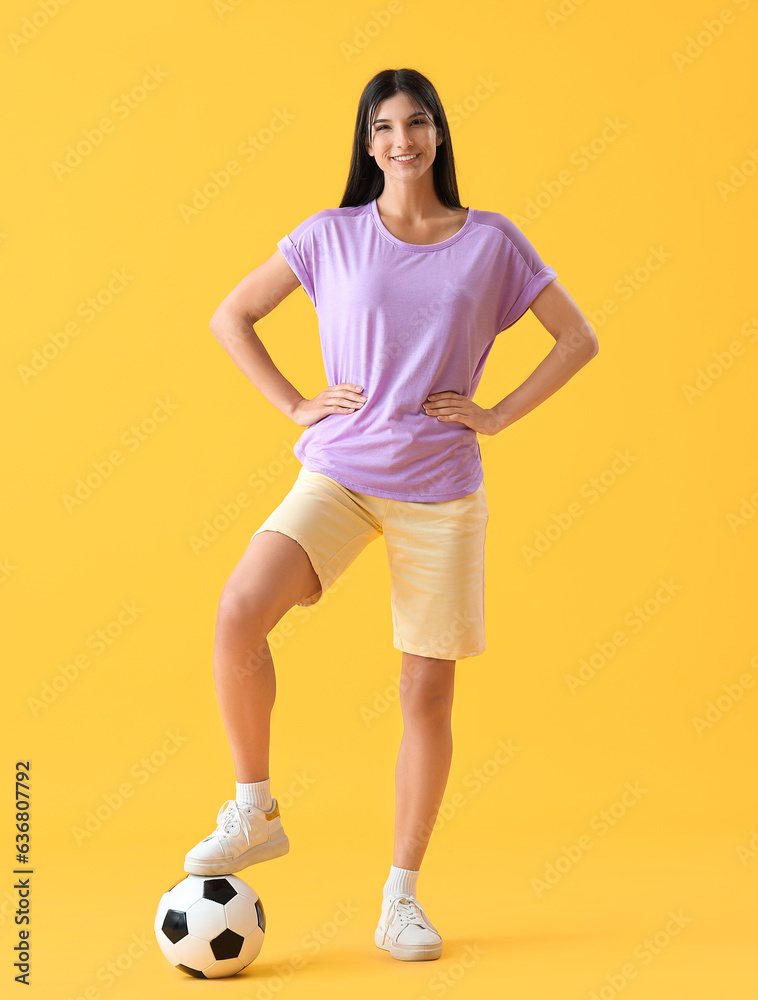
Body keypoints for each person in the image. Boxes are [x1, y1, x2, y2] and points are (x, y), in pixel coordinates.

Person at [183, 67, 598, 963]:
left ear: (439, 135)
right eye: (384, 126)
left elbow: (578, 338)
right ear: (367, 144)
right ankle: (255, 808)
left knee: (426, 692)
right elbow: (232, 317)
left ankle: (400, 899)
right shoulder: (330, 235)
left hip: (441, 490)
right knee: (239, 610)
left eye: (416, 122)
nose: (401, 139)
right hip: (341, 473)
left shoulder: (491, 243)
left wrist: (495, 414)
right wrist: (297, 404)